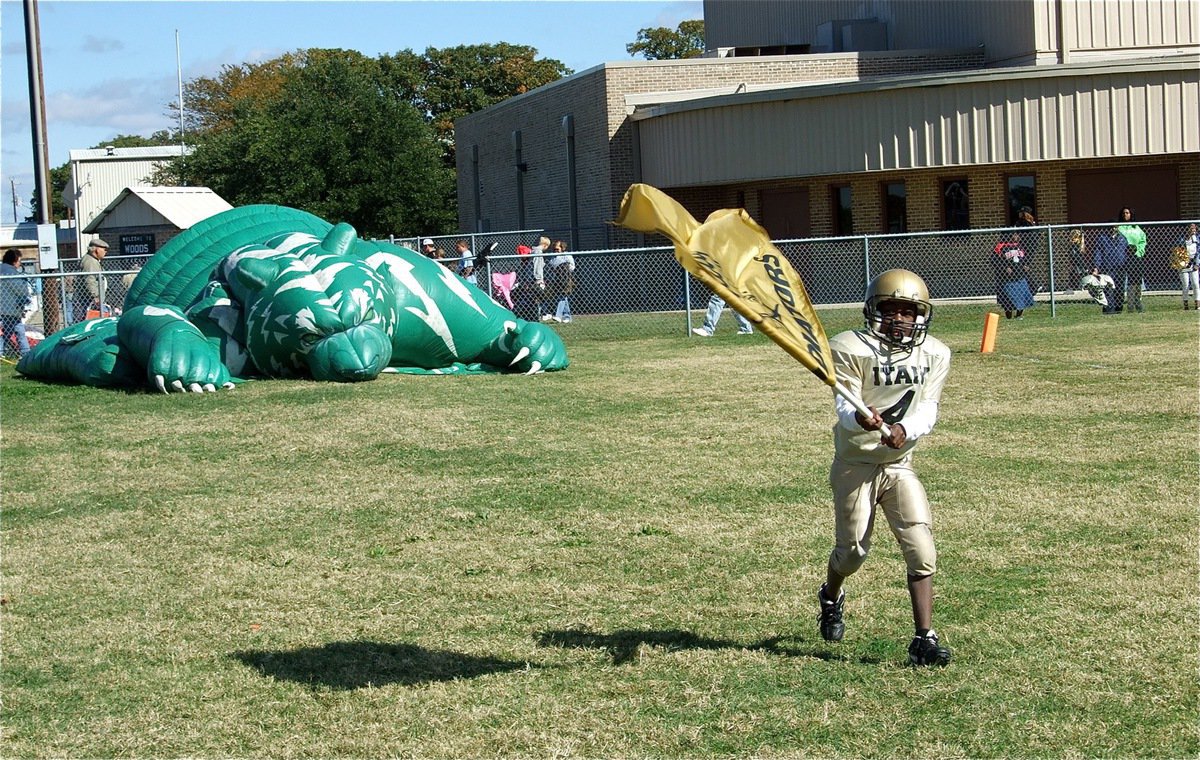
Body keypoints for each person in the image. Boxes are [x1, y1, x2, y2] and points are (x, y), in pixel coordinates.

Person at [817, 268, 953, 667]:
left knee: (921, 548)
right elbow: (844, 402)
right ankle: (831, 594)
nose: (900, 319)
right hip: (855, 463)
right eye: (891, 310)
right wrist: (859, 419)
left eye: (908, 311)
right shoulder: (850, 347)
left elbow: (929, 407)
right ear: (874, 310)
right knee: (853, 552)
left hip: (898, 463)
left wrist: (904, 429)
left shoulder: (935, 354)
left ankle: (923, 638)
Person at [991, 232, 1035, 319]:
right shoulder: (1001, 246)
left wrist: (1026, 265)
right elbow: (993, 260)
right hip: (1007, 280)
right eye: (1014, 234)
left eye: (1017, 234)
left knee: (1022, 297)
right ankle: (1009, 318)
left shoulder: (1020, 246)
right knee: (1008, 300)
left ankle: (1019, 316)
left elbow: (1025, 258)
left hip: (1020, 277)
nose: (1017, 236)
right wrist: (1004, 268)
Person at [0, 249, 33, 359]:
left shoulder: (2, 270)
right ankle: (26, 353)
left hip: (5, 309)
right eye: (19, 261)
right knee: (19, 330)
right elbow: (22, 291)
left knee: (7, 331)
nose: (20, 263)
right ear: (14, 261)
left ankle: (2, 352)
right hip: (11, 309)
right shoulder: (13, 274)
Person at [1091, 224, 1129, 314]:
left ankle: (1118, 309)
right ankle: (1108, 310)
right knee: (1108, 291)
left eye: (1115, 227)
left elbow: (1127, 252)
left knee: (1119, 290)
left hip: (1120, 268)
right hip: (1107, 269)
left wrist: (1128, 265)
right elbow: (1098, 253)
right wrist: (1096, 267)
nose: (1113, 229)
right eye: (1111, 227)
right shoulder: (1102, 239)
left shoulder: (1122, 238)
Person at [1117, 207, 1147, 313]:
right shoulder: (1119, 228)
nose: (1126, 214)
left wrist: (1139, 251)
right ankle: (1130, 305)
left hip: (1136, 256)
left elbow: (1142, 241)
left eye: (1128, 213)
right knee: (1129, 282)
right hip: (1125, 257)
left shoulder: (1136, 228)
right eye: (1124, 213)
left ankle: (1138, 301)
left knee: (1137, 281)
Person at [540, 239, 576, 323]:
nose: (556, 250)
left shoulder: (567, 256)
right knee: (563, 297)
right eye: (555, 249)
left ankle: (558, 315)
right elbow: (550, 267)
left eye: (558, 249)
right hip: (557, 280)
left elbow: (572, 267)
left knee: (562, 296)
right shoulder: (553, 257)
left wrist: (564, 268)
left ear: (562, 248)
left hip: (566, 279)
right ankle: (567, 317)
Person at [75, 237, 109, 323]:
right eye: (104, 249)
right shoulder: (90, 261)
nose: (106, 252)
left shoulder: (93, 260)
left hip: (91, 300)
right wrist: (96, 296)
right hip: (89, 300)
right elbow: (90, 280)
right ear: (96, 250)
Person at [1175, 223, 1199, 310]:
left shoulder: (1197, 239)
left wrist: (1197, 264)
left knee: (1195, 284)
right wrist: (1181, 263)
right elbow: (1177, 252)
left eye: (1194, 228)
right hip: (1184, 264)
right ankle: (1186, 305)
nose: (1194, 230)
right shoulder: (1180, 240)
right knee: (1185, 285)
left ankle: (1197, 305)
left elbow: (1198, 252)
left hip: (1194, 264)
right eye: (1191, 228)